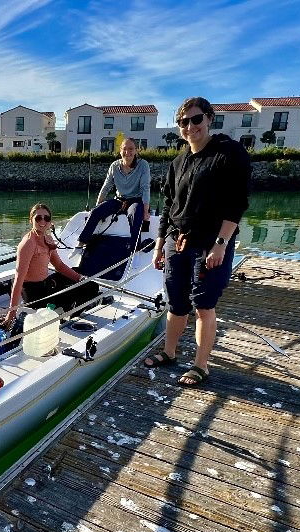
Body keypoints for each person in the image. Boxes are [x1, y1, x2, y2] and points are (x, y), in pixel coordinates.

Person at [144, 97, 250, 386]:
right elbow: (168, 206)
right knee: (176, 303)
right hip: (176, 242)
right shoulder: (178, 162)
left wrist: (221, 243)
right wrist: (159, 243)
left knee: (203, 304)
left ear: (209, 119)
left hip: (209, 244)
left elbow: (236, 204)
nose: (190, 127)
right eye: (183, 122)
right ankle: (170, 352)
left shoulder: (228, 153)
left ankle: (201, 365)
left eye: (196, 119)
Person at [4, 203, 98, 324]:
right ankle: (70, 317)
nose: (42, 221)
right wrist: (11, 314)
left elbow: (59, 266)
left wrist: (80, 278)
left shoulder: (48, 239)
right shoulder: (28, 243)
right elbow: (18, 278)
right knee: (89, 290)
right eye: (38, 218)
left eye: (46, 218)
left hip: (46, 284)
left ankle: (70, 310)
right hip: (34, 292)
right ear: (30, 220)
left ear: (50, 221)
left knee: (87, 282)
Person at [79, 138, 151, 243]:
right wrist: (98, 204)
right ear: (120, 151)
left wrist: (145, 211)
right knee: (95, 212)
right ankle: (82, 242)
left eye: (131, 149)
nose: (127, 152)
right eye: (124, 149)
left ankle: (135, 247)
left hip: (135, 200)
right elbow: (106, 186)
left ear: (136, 150)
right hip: (119, 200)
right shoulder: (114, 166)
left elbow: (145, 188)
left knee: (135, 215)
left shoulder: (143, 165)